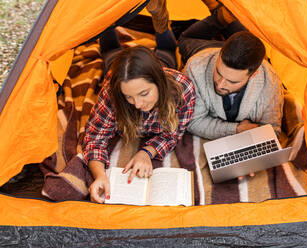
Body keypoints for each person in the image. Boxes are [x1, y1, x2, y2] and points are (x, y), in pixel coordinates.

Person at [83, 0, 196, 203]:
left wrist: (147, 152)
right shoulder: (112, 91)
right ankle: (108, 19)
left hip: (161, 64)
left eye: (144, 93)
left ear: (159, 83)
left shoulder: (182, 88)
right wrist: (99, 175)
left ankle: (160, 19)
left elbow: (173, 134)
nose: (136, 104)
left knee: (167, 52)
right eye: (129, 97)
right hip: (117, 68)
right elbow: (95, 137)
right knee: (110, 54)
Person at [178, 1, 284, 141]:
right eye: (218, 73)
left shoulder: (270, 81)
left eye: (232, 81)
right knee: (184, 39)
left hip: (244, 56)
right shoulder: (196, 67)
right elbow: (193, 121)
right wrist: (236, 129)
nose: (220, 84)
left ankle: (222, 13)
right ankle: (219, 16)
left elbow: (272, 131)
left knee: (248, 44)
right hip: (204, 49)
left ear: (253, 75)